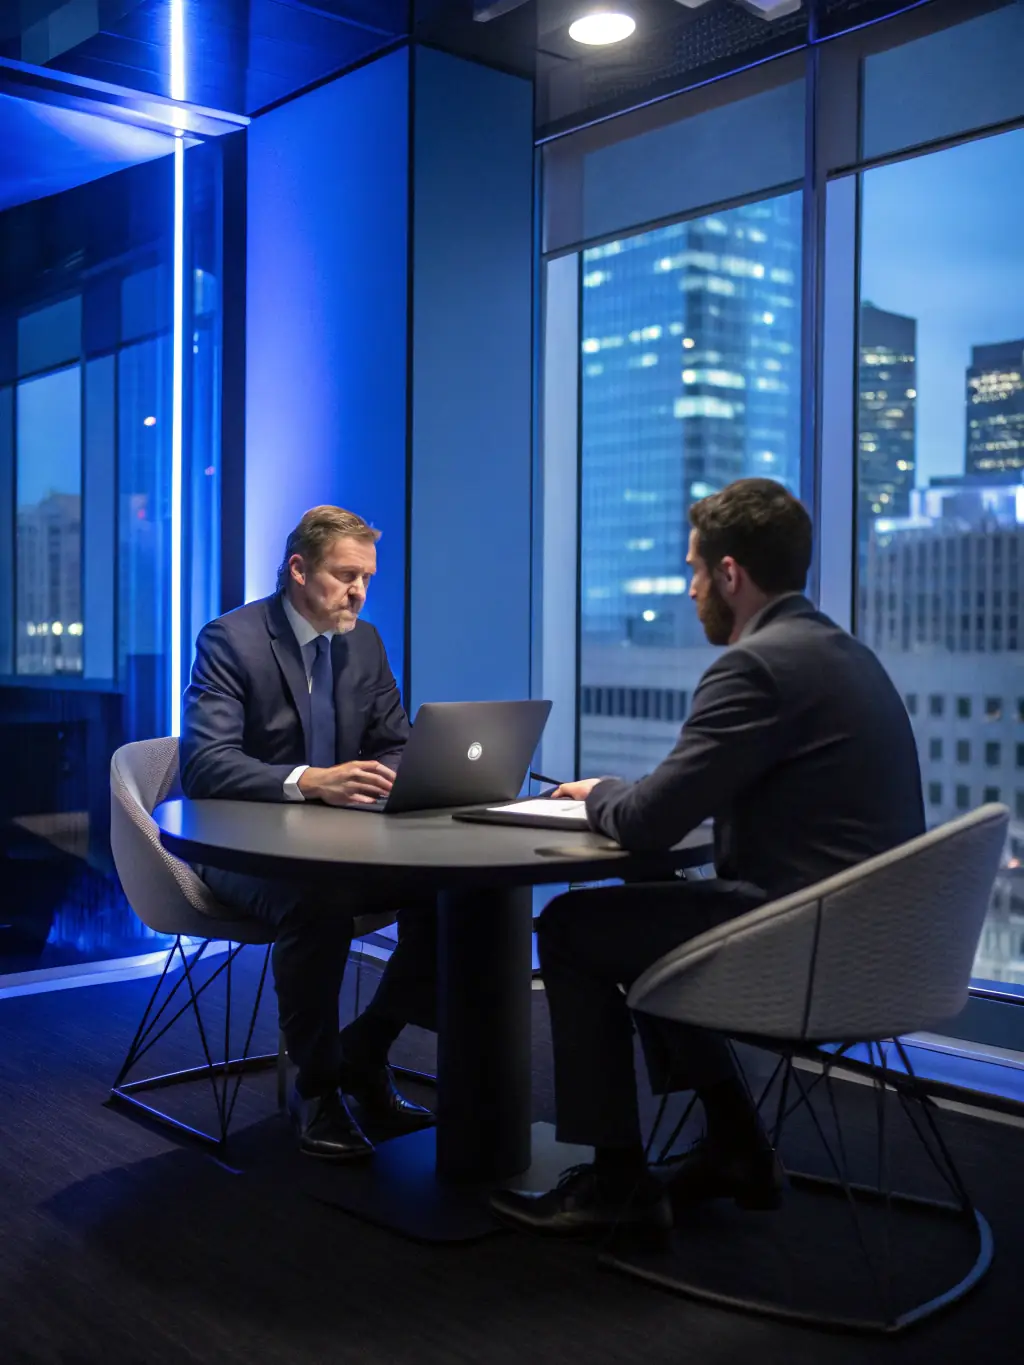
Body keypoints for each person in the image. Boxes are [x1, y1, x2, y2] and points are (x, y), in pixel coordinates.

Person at [490, 478, 924, 1239]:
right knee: (651, 897)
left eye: (694, 570)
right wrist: (632, 798)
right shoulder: (844, 652)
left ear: (731, 574)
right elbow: (685, 801)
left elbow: (653, 819)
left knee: (569, 926)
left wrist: (594, 793)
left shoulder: (756, 666)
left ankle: (618, 1181)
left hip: (800, 945)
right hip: (873, 943)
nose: (690, 590)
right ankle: (736, 1145)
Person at [180, 505, 436, 1161]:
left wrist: (389, 775)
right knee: (316, 902)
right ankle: (317, 1091)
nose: (358, 592)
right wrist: (310, 779)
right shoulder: (230, 639)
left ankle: (366, 1050)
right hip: (241, 849)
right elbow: (204, 764)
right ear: (299, 569)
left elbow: (397, 745)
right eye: (345, 575)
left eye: (367, 578)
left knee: (448, 890)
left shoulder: (366, 642)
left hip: (341, 843)